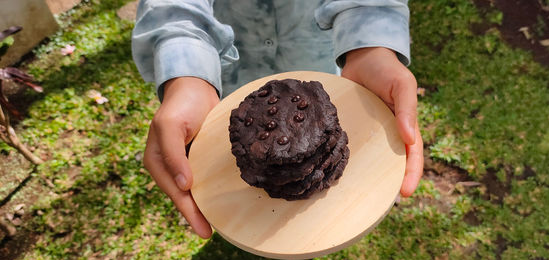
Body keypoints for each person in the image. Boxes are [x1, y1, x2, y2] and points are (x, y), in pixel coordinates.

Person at [132, 0, 424, 239]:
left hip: (316, 52)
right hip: (229, 70)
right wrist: (187, 72)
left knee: (315, 224)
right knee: (250, 220)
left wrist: (369, 41)